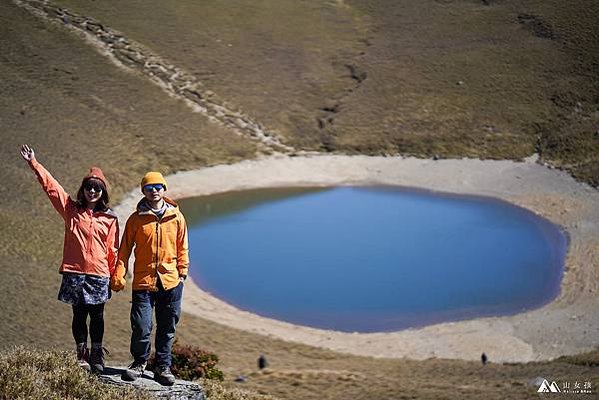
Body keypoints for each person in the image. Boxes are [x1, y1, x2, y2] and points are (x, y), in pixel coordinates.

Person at [20, 144, 119, 374]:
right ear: (83, 189)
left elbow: (112, 249)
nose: (92, 192)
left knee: (97, 316)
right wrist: (34, 163)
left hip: (99, 274)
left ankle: (97, 355)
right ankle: (81, 355)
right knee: (78, 314)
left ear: (103, 192)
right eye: (89, 187)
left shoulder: (110, 218)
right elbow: (52, 188)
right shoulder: (70, 209)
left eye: (97, 189)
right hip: (74, 271)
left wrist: (114, 276)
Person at [111, 171, 189, 386]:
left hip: (171, 282)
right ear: (143, 191)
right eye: (149, 188)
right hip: (143, 283)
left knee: (167, 328)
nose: (154, 191)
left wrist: (182, 273)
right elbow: (124, 249)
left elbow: (182, 247)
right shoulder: (136, 220)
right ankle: (139, 363)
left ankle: (163, 367)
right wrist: (119, 274)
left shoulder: (176, 217)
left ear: (164, 189)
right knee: (141, 326)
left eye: (157, 187)